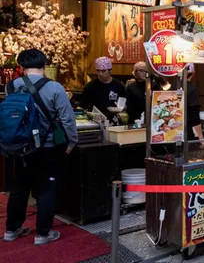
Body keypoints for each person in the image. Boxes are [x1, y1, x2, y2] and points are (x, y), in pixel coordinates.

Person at [3, 49, 78, 245]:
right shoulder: (55, 88)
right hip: (49, 146)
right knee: (47, 188)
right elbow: (67, 119)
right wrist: (72, 141)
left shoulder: (10, 86)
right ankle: (43, 234)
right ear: (44, 65)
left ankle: (12, 230)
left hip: (20, 146)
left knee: (19, 187)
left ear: (21, 67)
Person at [80, 57, 127, 126]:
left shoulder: (118, 85)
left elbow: (125, 103)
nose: (100, 74)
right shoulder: (90, 86)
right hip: (95, 120)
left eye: (103, 71)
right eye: (98, 71)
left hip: (113, 119)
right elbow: (83, 105)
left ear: (110, 71)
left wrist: (122, 108)